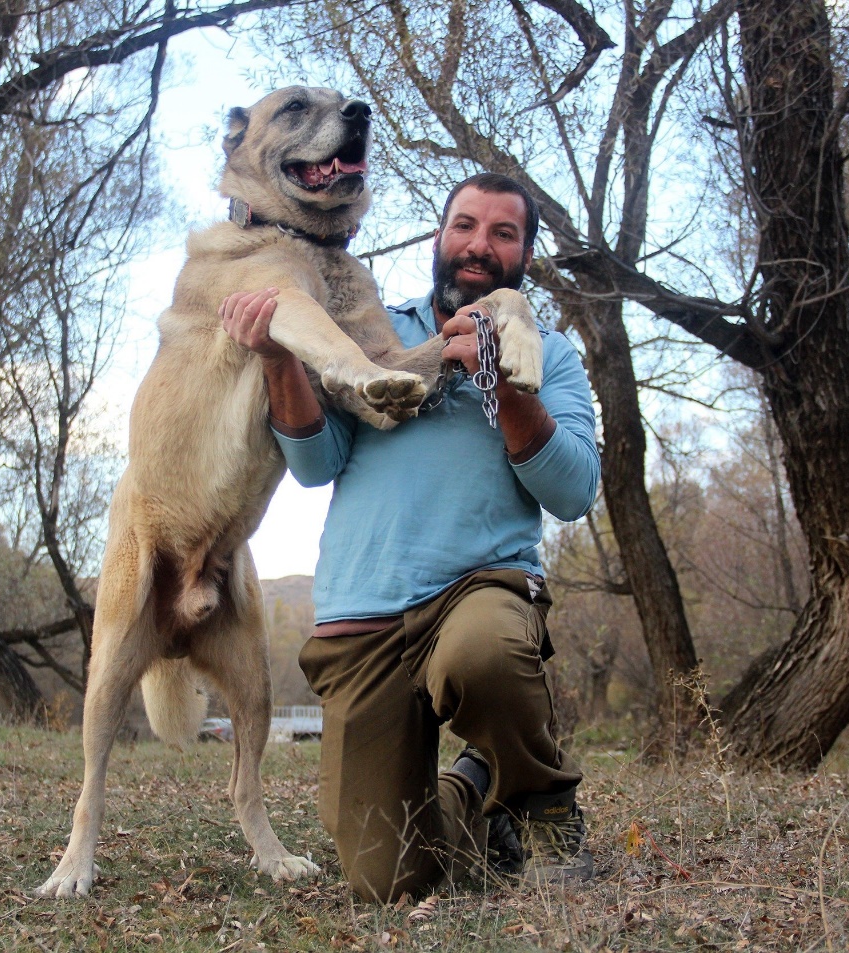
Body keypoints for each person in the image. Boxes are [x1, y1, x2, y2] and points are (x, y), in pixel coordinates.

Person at [220, 173, 600, 900]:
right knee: (384, 877)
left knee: (483, 653)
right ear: (438, 235)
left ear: (525, 255)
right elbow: (314, 461)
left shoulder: (547, 353)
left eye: (502, 233)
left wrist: (501, 382)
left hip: (477, 589)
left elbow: (572, 489)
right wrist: (277, 358)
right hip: (360, 619)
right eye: (464, 226)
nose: (478, 247)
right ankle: (477, 788)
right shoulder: (368, 336)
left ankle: (546, 806)